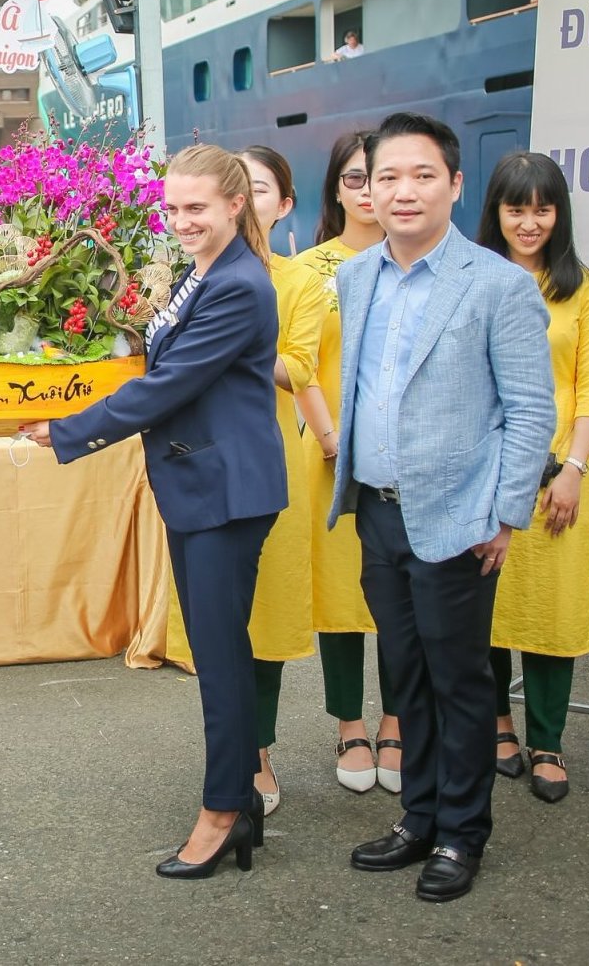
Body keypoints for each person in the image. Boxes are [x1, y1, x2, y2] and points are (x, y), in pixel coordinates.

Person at [23, 144, 284, 880]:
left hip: (224, 491)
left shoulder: (236, 285)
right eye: (171, 208)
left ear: (236, 204)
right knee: (218, 651)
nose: (180, 221)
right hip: (202, 483)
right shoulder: (208, 272)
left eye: (196, 207)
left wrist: (69, 428)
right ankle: (240, 800)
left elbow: (167, 385)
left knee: (219, 657)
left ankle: (224, 810)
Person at [330, 113, 554, 903]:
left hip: (459, 515)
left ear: (455, 185)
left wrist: (506, 513)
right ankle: (417, 816)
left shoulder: (498, 284)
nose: (402, 191)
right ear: (365, 188)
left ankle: (461, 832)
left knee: (459, 679)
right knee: (404, 673)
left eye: (421, 174)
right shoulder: (355, 277)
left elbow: (530, 409)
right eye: (385, 176)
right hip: (377, 510)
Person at [476, 152, 589, 804]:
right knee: (487, 606)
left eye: (542, 209)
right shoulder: (471, 278)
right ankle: (498, 723)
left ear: (560, 215)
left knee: (551, 611)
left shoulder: (582, 288)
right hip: (484, 471)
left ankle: (548, 740)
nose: (529, 223)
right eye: (515, 209)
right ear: (495, 212)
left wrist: (575, 469)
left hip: (557, 474)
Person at [293, 129, 402, 793]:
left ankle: (397, 721)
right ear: (335, 188)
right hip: (330, 450)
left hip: (405, 455)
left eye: (379, 176)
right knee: (340, 592)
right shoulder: (310, 269)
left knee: (400, 592)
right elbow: (299, 363)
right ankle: (349, 724)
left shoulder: (417, 260)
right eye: (354, 178)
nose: (367, 191)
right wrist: (331, 437)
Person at [234, 146, 324, 816]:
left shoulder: (299, 281)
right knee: (219, 619)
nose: (245, 199)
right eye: (233, 186)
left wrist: (229, 340)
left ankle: (258, 748)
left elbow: (298, 368)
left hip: (267, 459)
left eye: (259, 188)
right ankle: (230, 749)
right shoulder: (182, 273)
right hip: (196, 459)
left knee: (266, 613)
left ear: (284, 204)